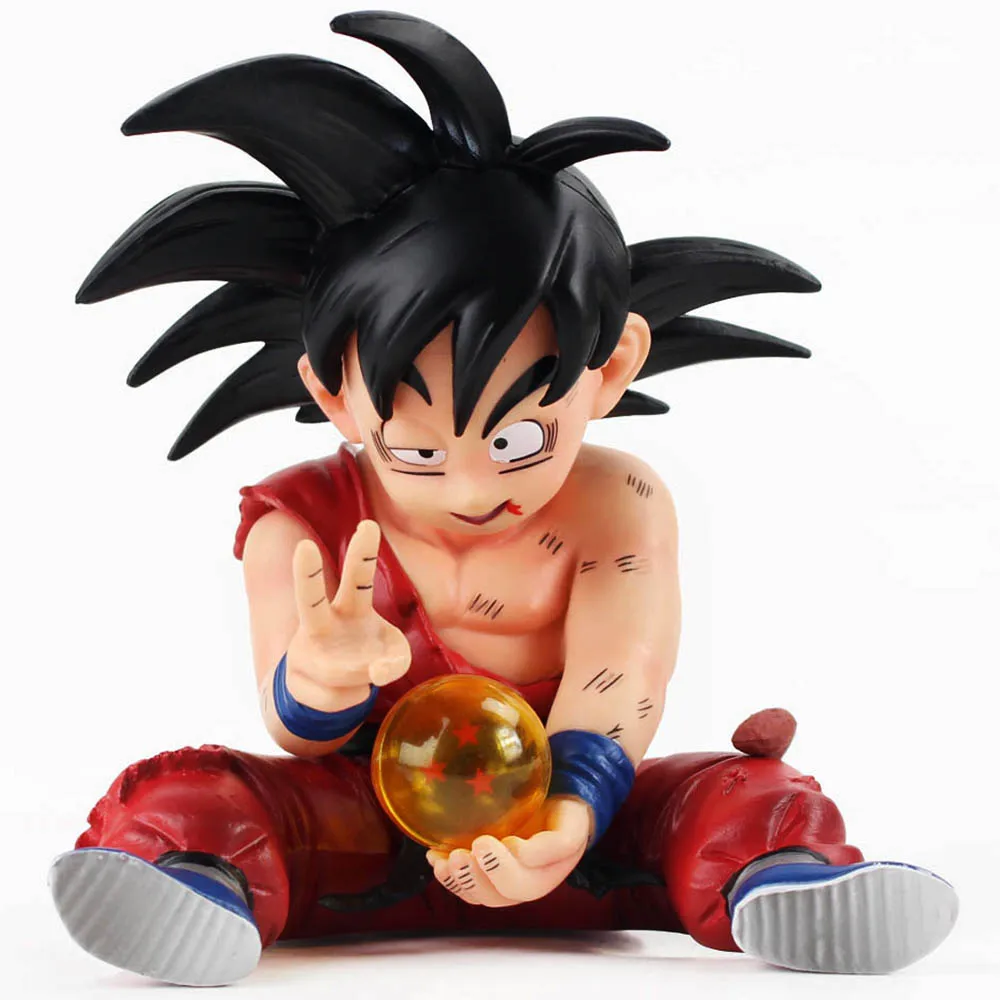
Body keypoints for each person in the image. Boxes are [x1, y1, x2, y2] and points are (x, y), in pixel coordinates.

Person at [50, 10, 958, 986]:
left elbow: (619, 676)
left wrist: (563, 822)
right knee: (195, 795)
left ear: (611, 367)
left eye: (519, 439)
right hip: (360, 837)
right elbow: (296, 729)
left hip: (578, 832)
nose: (476, 487)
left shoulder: (616, 501)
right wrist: (319, 680)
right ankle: (200, 881)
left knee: (744, 794)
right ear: (333, 393)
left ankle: (779, 878)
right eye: (418, 449)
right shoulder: (300, 525)